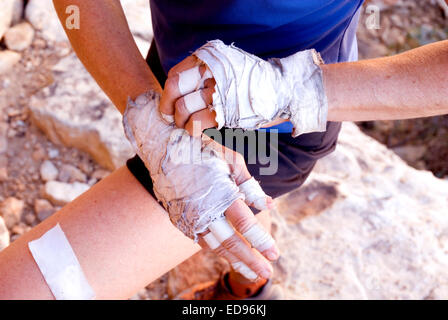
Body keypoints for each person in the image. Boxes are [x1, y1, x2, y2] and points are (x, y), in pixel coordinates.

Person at [0, 0, 446, 300]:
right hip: (174, 78)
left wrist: (292, 89)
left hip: (274, 131)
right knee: (239, 211)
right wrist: (150, 122)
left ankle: (246, 290)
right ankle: (248, 288)